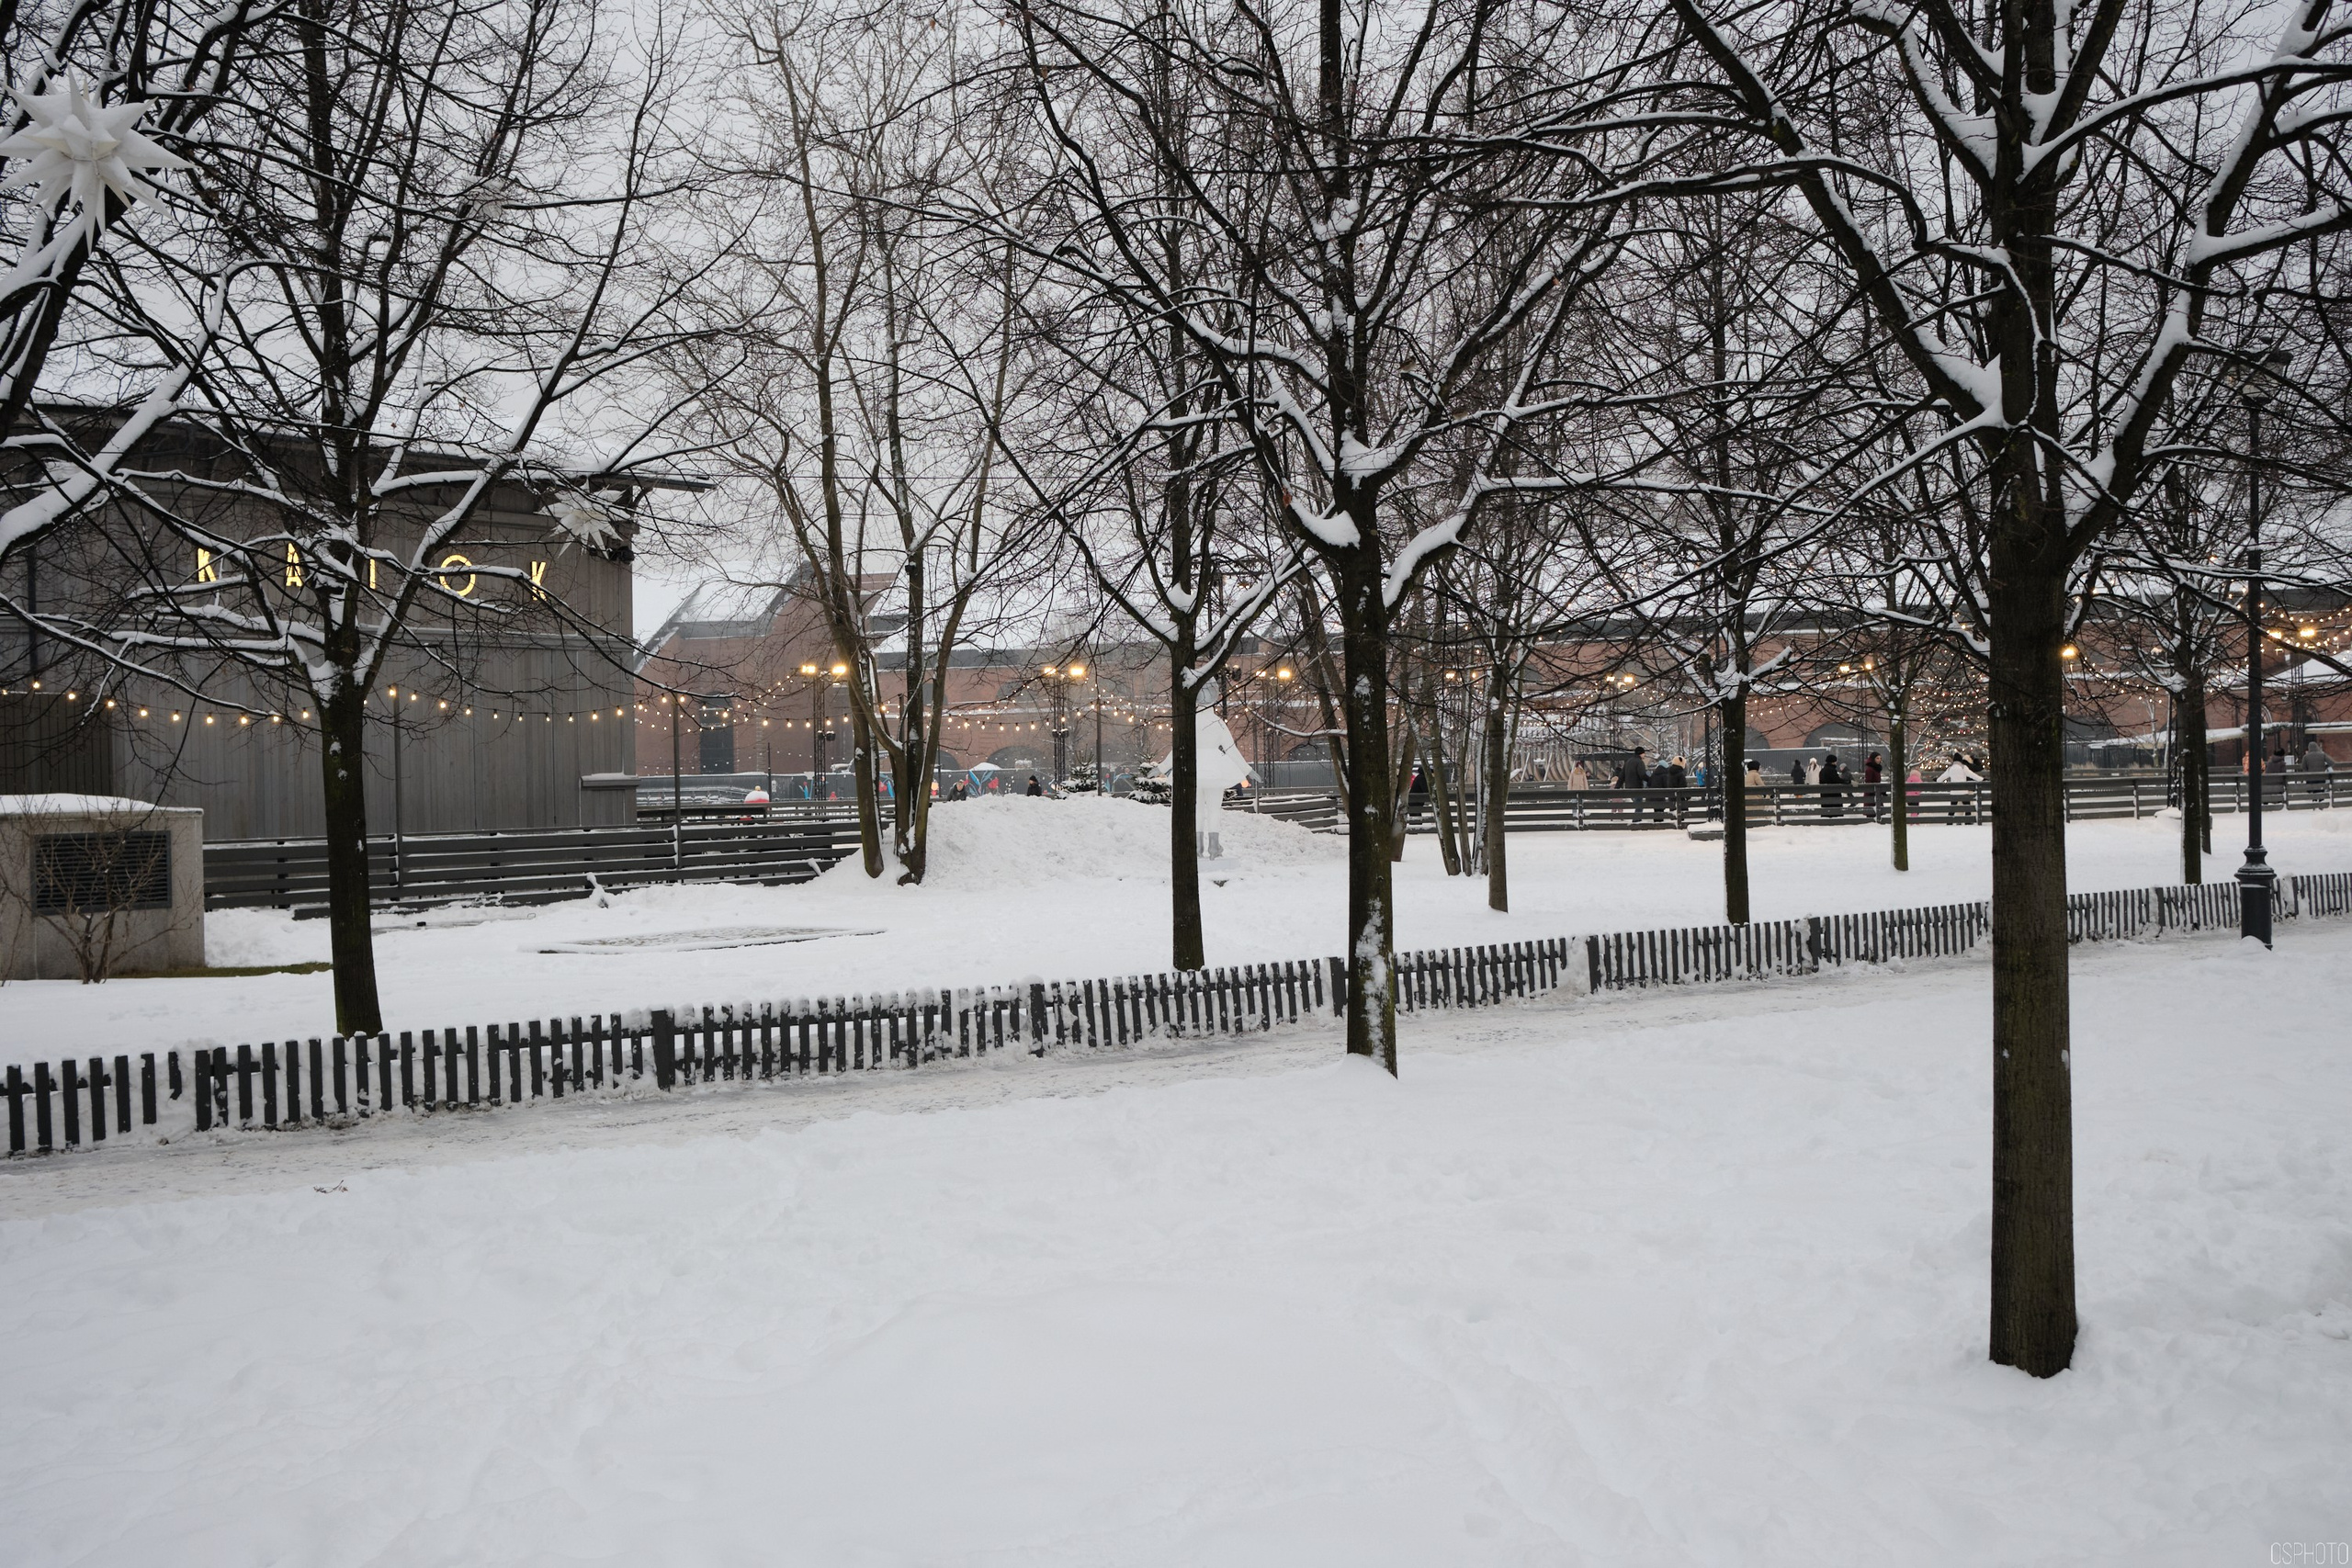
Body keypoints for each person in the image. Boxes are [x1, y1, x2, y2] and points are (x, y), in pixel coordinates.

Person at [1818, 753, 1845, 818]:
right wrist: (1847, 781)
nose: (1836, 763)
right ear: (1833, 761)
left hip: (1824, 794)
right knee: (1834, 811)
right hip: (1833, 793)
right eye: (1835, 761)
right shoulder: (1832, 770)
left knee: (1827, 811)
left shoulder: (1822, 770)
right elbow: (1837, 780)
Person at [1862, 751, 1883, 821]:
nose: (1879, 760)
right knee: (1871, 814)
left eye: (1880, 758)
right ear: (1873, 759)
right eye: (1877, 758)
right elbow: (1868, 782)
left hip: (1876, 793)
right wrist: (1872, 791)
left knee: (1877, 813)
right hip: (1871, 794)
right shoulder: (1870, 769)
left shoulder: (1876, 768)